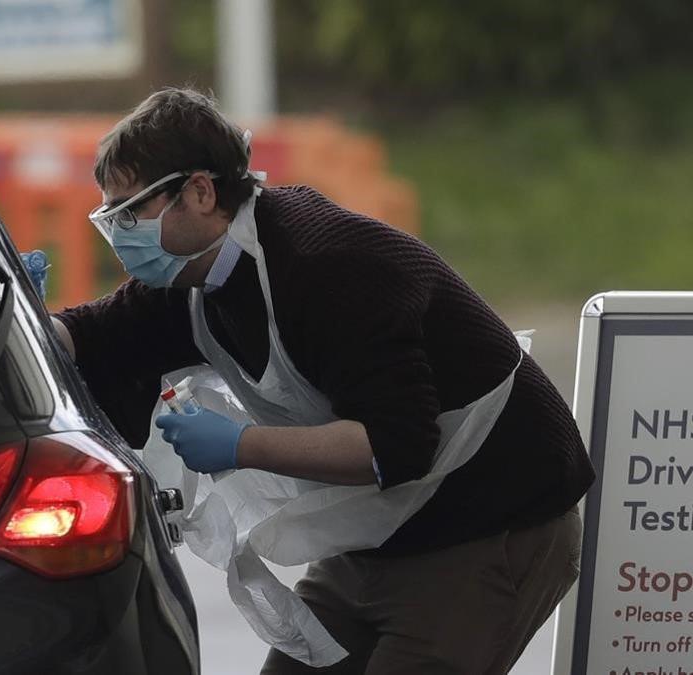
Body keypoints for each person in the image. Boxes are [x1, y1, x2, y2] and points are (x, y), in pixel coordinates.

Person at [49, 87, 594, 674]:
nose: (120, 233)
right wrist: (17, 313)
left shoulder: (327, 267)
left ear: (201, 192)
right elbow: (94, 335)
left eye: (130, 212)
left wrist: (241, 445)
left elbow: (397, 444)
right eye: (110, 217)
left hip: (493, 521)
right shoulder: (192, 280)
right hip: (384, 527)